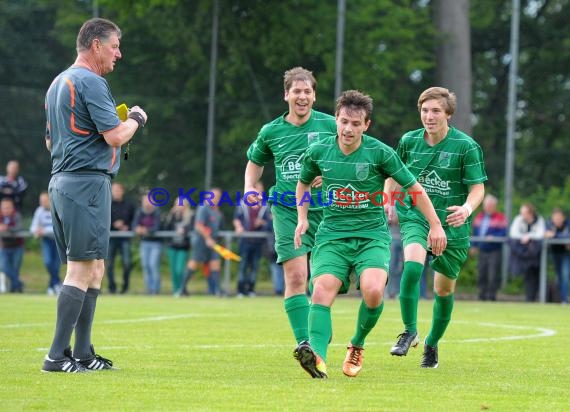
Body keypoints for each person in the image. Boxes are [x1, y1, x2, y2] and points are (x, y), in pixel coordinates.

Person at [293, 90, 447, 378]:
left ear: (367, 125)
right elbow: (302, 185)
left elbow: (414, 188)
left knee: (374, 291)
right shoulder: (318, 151)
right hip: (332, 235)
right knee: (321, 289)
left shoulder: (380, 153)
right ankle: (317, 357)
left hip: (371, 236)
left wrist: (436, 225)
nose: (348, 129)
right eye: (343, 122)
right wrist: (302, 218)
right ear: (336, 121)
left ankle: (357, 344)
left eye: (355, 123)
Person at [42, 17, 147, 373]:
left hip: (63, 181)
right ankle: (57, 356)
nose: (119, 53)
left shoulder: (58, 82)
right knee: (81, 269)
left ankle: (83, 353)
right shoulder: (91, 80)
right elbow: (116, 136)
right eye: (115, 46)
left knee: (96, 268)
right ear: (97, 45)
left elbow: (49, 140)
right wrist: (135, 118)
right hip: (85, 183)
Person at [385, 86, 487, 368]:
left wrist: (466, 209)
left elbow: (478, 188)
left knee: (443, 290)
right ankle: (409, 330)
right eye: (424, 110)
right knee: (413, 265)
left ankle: (431, 344)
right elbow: (392, 173)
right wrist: (389, 199)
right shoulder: (408, 141)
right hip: (415, 215)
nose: (429, 116)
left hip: (452, 224)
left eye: (436, 111)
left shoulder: (465, 146)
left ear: (449, 114)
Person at [243, 67, 337, 360]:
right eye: (296, 91)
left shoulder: (332, 125)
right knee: (296, 276)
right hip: (286, 209)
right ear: (286, 95)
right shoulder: (271, 130)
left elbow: (349, 155)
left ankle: (318, 328)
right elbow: (254, 162)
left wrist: (330, 175)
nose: (302, 96)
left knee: (324, 280)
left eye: (307, 91)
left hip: (327, 211)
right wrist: (249, 187)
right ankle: (306, 344)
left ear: (314, 95)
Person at [178, 188, 224, 296]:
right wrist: (207, 239)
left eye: (218, 197)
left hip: (213, 242)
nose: (216, 199)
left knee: (215, 264)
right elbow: (199, 226)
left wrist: (213, 240)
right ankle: (182, 289)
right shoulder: (203, 208)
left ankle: (217, 291)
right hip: (201, 241)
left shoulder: (216, 211)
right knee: (194, 263)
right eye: (214, 196)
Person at [233, 181, 270, 297]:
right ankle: (240, 290)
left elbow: (269, 221)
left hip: (258, 241)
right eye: (258, 189)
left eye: (261, 190)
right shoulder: (242, 203)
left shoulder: (265, 205)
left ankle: (251, 290)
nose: (260, 192)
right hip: (245, 240)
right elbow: (236, 218)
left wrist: (262, 222)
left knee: (254, 266)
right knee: (243, 265)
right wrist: (238, 227)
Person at [471, 194, 508, 301]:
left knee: (493, 274)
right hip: (482, 250)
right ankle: (482, 295)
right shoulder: (479, 217)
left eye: (490, 205)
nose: (488, 207)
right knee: (482, 272)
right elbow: (475, 232)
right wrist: (474, 245)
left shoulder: (500, 217)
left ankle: (492, 296)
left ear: (494, 206)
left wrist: (494, 237)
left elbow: (504, 232)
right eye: (486, 205)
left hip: (494, 250)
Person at [509, 203, 545, 302]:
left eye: (524, 212)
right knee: (526, 276)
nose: (522, 215)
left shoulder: (539, 220)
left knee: (533, 276)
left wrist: (529, 236)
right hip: (522, 253)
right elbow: (513, 233)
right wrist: (524, 237)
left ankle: (532, 297)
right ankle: (529, 297)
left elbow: (540, 234)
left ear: (530, 213)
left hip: (534, 255)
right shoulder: (519, 219)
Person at [106, 182, 136, 294]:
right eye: (114, 190)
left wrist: (127, 226)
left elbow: (134, 220)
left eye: (117, 190)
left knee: (127, 263)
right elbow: (102, 221)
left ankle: (125, 287)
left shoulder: (130, 205)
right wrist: (114, 224)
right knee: (109, 264)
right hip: (111, 238)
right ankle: (112, 288)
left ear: (122, 191)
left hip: (125, 238)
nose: (116, 192)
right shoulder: (106, 204)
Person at [30, 191, 61, 295]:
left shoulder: (58, 209)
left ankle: (51, 286)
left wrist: (44, 230)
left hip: (58, 241)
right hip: (46, 241)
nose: (42, 203)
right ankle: (56, 283)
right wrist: (36, 231)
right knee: (48, 263)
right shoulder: (39, 211)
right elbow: (33, 227)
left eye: (45, 200)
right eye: (41, 201)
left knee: (56, 265)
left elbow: (59, 229)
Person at [132, 194, 163, 295]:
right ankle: (149, 289)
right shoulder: (140, 211)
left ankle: (155, 289)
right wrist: (137, 229)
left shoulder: (157, 212)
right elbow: (134, 225)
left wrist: (146, 230)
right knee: (145, 265)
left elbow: (157, 227)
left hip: (156, 243)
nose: (147, 202)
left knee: (153, 265)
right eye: (145, 200)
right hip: (144, 242)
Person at [164, 196, 194, 295]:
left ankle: (181, 288)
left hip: (183, 247)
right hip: (172, 246)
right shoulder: (172, 216)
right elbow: (166, 227)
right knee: (173, 271)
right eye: (178, 204)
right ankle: (175, 290)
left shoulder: (190, 216)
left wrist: (184, 231)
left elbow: (191, 228)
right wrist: (171, 214)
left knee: (179, 269)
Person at [544, 208, 570, 304]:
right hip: (554, 253)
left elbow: (567, 236)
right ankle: (559, 299)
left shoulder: (568, 225)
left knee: (565, 275)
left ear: (563, 218)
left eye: (559, 218)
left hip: (566, 254)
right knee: (558, 277)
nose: (557, 220)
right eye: (555, 218)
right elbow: (545, 234)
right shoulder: (549, 224)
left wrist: (555, 235)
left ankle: (564, 299)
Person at [0, 197, 25, 293]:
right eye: (4, 207)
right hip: (3, 246)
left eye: (8, 207)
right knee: (3, 267)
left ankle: (14, 289)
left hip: (17, 246)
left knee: (15, 269)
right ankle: (19, 284)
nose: (6, 209)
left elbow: (19, 227)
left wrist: (7, 228)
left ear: (12, 207)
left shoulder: (16, 215)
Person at [386, 208, 404, 299]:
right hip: (390, 238)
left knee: (400, 268)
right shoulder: (385, 199)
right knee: (390, 266)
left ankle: (397, 292)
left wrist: (401, 218)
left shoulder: (407, 198)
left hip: (404, 238)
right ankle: (387, 292)